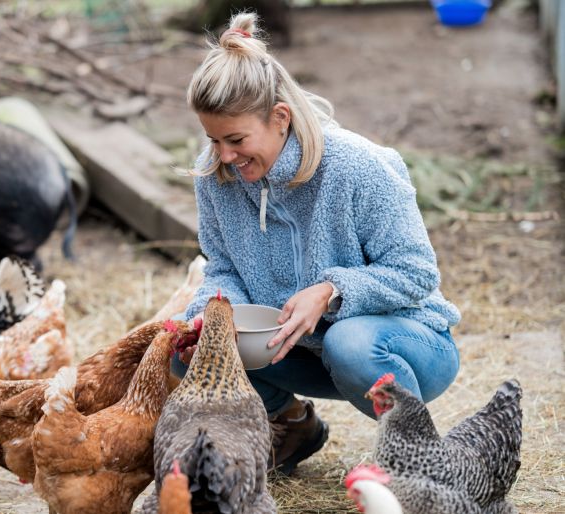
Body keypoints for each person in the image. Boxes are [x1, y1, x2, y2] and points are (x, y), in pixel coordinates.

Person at [173, 12, 462, 476]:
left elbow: (417, 273)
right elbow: (222, 267)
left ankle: (420, 461)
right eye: (212, 139)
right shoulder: (217, 174)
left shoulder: (359, 167)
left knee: (349, 342)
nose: (224, 156)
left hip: (402, 345)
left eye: (236, 139)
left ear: (280, 118)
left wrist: (330, 291)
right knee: (186, 350)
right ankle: (291, 423)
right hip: (301, 353)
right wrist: (211, 315)